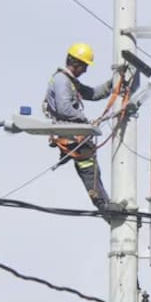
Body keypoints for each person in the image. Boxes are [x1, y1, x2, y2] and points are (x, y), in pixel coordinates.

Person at [43, 42, 119, 215]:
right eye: (84, 66)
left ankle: (104, 203)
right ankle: (103, 204)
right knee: (88, 166)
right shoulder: (62, 80)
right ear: (76, 63)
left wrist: (113, 83)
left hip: (73, 133)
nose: (85, 70)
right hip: (69, 133)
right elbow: (64, 108)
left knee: (90, 164)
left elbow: (92, 93)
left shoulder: (70, 81)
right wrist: (85, 121)